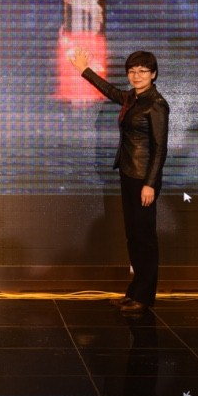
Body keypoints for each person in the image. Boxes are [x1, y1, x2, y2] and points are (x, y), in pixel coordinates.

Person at [70, 49, 170, 314]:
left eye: (143, 71)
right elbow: (110, 91)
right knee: (133, 236)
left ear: (153, 74)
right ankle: (134, 292)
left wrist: (150, 184)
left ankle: (144, 297)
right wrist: (84, 70)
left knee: (144, 238)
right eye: (132, 71)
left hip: (143, 179)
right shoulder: (133, 98)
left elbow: (160, 148)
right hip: (128, 173)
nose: (136, 76)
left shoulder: (156, 104)